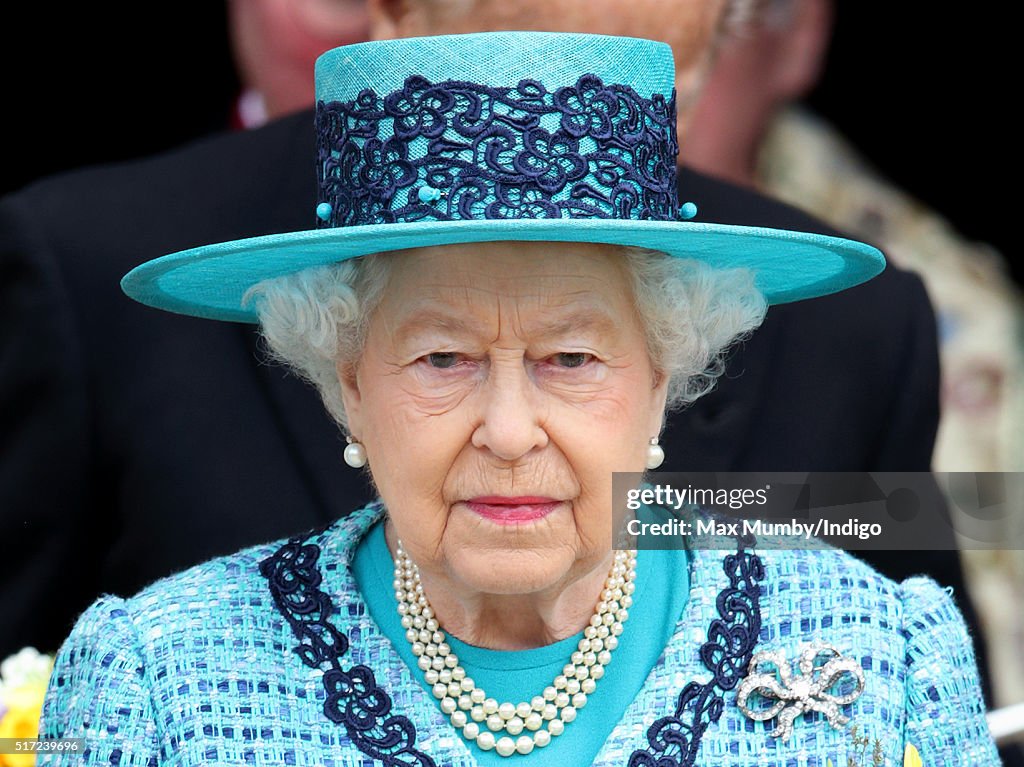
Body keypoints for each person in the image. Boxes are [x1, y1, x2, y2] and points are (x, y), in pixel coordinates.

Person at [38, 33, 997, 766]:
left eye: (572, 357)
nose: (506, 431)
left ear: (662, 374)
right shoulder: (163, 680)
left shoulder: (878, 652)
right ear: (348, 381)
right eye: (443, 358)